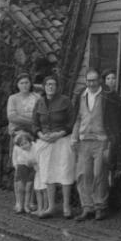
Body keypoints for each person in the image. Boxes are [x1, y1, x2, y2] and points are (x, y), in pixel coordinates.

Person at [70, 69, 121, 221]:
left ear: (100, 80)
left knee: (99, 174)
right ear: (85, 81)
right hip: (84, 141)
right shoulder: (81, 95)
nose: (91, 83)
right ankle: (87, 207)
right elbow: (78, 118)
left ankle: (100, 207)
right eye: (89, 81)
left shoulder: (108, 96)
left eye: (94, 80)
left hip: (101, 141)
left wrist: (112, 141)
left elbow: (117, 121)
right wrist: (74, 137)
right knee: (83, 175)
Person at [33, 75, 77, 219]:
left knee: (65, 171)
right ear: (44, 87)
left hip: (62, 141)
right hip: (46, 142)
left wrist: (59, 134)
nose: (50, 87)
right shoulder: (39, 102)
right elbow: (34, 124)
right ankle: (51, 206)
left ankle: (66, 206)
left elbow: (72, 122)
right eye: (48, 85)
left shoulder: (65, 101)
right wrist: (40, 135)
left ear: (57, 86)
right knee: (48, 171)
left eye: (53, 84)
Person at [6, 73, 40, 212]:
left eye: (27, 82)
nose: (24, 85)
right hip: (19, 135)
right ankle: (19, 202)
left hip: (33, 135)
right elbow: (12, 116)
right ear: (17, 85)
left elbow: (39, 115)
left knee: (32, 167)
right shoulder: (13, 98)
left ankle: (30, 201)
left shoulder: (37, 97)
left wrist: (27, 119)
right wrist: (31, 121)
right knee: (20, 168)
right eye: (21, 83)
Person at [10, 131, 37, 213]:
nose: (24, 146)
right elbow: (17, 160)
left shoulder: (35, 147)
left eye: (25, 143)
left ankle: (27, 205)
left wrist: (33, 162)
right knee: (21, 188)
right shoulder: (19, 149)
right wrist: (17, 167)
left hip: (32, 169)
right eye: (21, 145)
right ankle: (20, 205)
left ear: (30, 141)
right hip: (22, 168)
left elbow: (36, 158)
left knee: (29, 188)